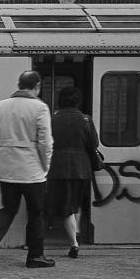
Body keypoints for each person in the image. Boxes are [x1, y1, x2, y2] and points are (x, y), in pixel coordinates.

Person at [0, 70, 56, 269]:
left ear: (19, 85)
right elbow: (45, 143)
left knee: (7, 210)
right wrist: (45, 166)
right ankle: (35, 256)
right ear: (37, 86)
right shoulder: (40, 108)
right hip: (32, 171)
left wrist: (4, 155)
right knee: (36, 213)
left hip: (7, 169)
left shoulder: (1, 106)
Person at [47, 86, 100, 259]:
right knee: (76, 203)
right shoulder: (85, 120)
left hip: (58, 168)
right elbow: (94, 143)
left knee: (65, 207)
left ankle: (74, 242)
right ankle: (76, 234)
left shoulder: (52, 120)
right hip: (82, 168)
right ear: (78, 100)